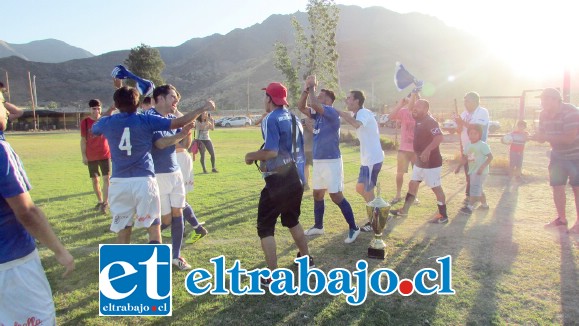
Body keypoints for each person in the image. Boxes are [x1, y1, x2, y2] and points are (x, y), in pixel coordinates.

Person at [92, 84, 214, 244]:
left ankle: (123, 267)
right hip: (144, 181)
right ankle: (155, 268)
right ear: (137, 103)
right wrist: (201, 109)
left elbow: (94, 130)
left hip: (119, 182)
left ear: (117, 104)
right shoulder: (145, 119)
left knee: (123, 231)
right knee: (154, 228)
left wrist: (110, 111)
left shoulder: (107, 122)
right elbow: (178, 122)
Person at [0, 97, 75, 324]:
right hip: (12, 262)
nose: (6, 110)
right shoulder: (1, 150)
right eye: (3, 104)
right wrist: (60, 250)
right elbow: (27, 212)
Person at [244, 82, 312, 286]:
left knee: (265, 226)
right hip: (295, 176)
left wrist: (250, 156)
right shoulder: (292, 117)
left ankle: (272, 275)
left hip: (278, 179)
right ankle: (306, 259)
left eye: (266, 96)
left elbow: (272, 151)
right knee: (292, 220)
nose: (264, 100)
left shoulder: (271, 118)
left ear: (270, 99)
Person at [297, 76, 361, 244]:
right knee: (317, 194)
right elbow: (301, 106)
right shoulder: (316, 114)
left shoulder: (331, 112)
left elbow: (315, 105)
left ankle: (354, 228)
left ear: (329, 100)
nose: (318, 97)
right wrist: (306, 89)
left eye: (322, 95)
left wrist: (312, 87)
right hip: (318, 161)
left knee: (335, 195)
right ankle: (319, 226)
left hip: (332, 161)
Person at [146, 85, 197, 270]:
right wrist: (181, 133)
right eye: (173, 97)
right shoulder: (150, 117)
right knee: (165, 220)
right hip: (157, 175)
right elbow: (160, 144)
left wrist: (186, 132)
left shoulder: (170, 118)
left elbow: (184, 144)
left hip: (175, 172)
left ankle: (176, 256)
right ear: (160, 98)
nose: (176, 101)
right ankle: (152, 245)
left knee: (178, 213)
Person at [389, 97, 449, 224]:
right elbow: (397, 114)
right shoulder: (417, 119)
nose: (415, 108)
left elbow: (439, 138)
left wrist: (427, 150)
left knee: (436, 187)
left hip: (431, 162)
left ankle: (443, 216)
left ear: (426, 109)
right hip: (420, 161)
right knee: (413, 184)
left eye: (419, 106)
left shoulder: (430, 121)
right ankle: (404, 210)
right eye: (414, 106)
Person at [531, 88, 579, 233]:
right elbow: (543, 134)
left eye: (545, 99)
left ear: (555, 99)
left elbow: (570, 138)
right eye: (542, 99)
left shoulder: (571, 112)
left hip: (576, 156)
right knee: (557, 187)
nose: (542, 102)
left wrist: (545, 137)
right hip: (557, 155)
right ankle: (562, 219)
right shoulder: (543, 114)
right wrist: (537, 137)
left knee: (577, 189)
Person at [339, 90, 384, 232]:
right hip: (367, 160)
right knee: (360, 188)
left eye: (349, 98)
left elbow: (357, 124)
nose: (347, 100)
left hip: (372, 159)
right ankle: (380, 213)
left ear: (357, 101)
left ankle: (376, 220)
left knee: (367, 189)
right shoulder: (359, 113)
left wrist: (341, 113)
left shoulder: (363, 113)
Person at [455, 91, 489, 204]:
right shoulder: (464, 113)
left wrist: (462, 122)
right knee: (469, 173)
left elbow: (476, 128)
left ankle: (472, 198)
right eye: (464, 101)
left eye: (467, 101)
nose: (465, 103)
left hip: (478, 150)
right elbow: (459, 130)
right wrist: (459, 124)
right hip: (467, 149)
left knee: (474, 175)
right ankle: (472, 196)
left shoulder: (482, 112)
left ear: (475, 101)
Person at [80, 99, 111, 214]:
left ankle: (106, 203)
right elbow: (83, 140)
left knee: (106, 179)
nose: (96, 111)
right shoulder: (85, 122)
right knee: (95, 180)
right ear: (90, 109)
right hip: (91, 155)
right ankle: (100, 200)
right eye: (94, 109)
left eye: (98, 108)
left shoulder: (104, 120)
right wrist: (84, 156)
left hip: (105, 154)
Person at [389, 94, 419, 205]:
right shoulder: (404, 112)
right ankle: (398, 194)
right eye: (411, 99)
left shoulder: (421, 113)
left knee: (416, 175)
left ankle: (414, 196)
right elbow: (391, 116)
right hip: (404, 149)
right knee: (400, 173)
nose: (413, 101)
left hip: (417, 150)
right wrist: (400, 104)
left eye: (415, 99)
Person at [459, 124, 493, 214]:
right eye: (470, 133)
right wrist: (458, 167)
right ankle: (485, 205)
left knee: (474, 189)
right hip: (472, 170)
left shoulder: (483, 145)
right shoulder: (468, 145)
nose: (472, 136)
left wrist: (482, 167)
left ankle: (469, 207)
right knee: (478, 189)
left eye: (475, 134)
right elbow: (466, 157)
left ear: (480, 135)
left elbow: (490, 157)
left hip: (480, 172)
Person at [302, 117, 314, 191]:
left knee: (317, 168)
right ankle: (306, 184)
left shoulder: (316, 120)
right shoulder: (303, 120)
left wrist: (309, 126)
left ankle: (321, 185)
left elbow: (316, 132)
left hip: (314, 149)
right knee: (305, 167)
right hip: (304, 149)